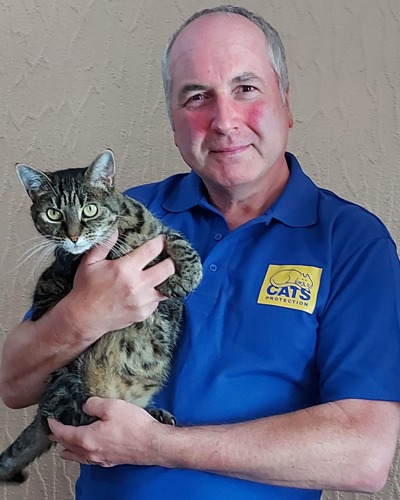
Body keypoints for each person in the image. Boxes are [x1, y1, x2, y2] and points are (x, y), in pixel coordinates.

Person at [1, 5, 400, 499]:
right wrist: (81, 316)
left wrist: (158, 444)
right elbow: (15, 383)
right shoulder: (122, 214)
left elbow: (363, 455)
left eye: (246, 88)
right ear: (173, 121)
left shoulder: (353, 242)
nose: (225, 120)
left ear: (286, 104)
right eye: (196, 96)